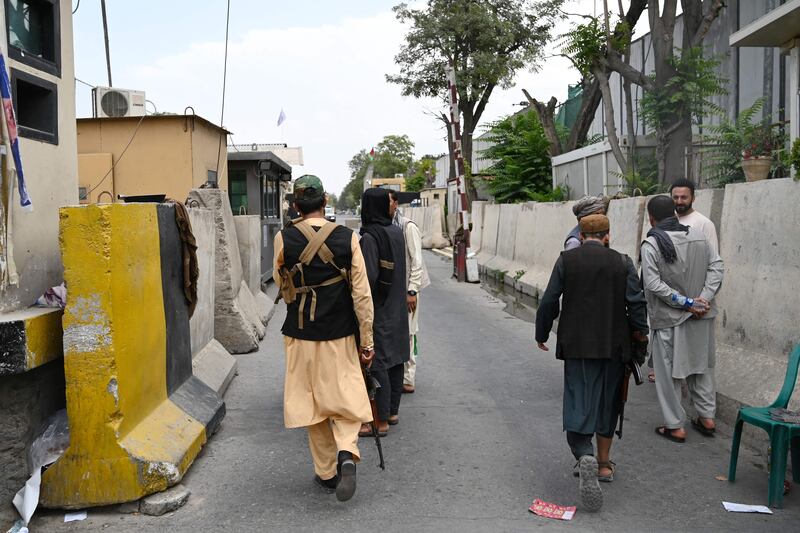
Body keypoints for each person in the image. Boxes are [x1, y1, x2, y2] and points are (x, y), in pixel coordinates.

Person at [535, 214, 648, 512]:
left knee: (578, 402)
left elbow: (549, 301)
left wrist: (541, 333)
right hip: (615, 346)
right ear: (608, 235)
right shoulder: (623, 263)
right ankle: (603, 465)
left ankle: (582, 453)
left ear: (582, 236)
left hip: (578, 346)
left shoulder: (566, 261)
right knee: (609, 403)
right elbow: (637, 305)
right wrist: (641, 341)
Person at [272, 175, 375, 502]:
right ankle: (347, 451)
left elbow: (280, 281)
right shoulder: (348, 238)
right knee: (345, 398)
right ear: (325, 201)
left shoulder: (283, 238)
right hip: (340, 333)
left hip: (300, 335)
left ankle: (327, 473)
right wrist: (367, 341)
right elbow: (362, 295)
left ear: (295, 205)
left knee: (311, 403)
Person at [641, 195, 724, 443]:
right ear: (674, 214)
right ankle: (707, 417)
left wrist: (687, 303)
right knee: (702, 368)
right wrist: (702, 299)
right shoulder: (698, 235)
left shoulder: (652, 244)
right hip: (701, 317)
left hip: (670, 319)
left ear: (651, 219)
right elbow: (717, 268)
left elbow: (653, 284)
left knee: (668, 374)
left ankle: (675, 425)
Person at [358, 188, 409, 437]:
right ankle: (392, 411)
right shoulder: (396, 231)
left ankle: (380, 421)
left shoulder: (370, 237)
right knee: (396, 359)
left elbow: (367, 278)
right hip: (397, 305)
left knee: (377, 361)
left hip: (379, 307)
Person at [389, 190, 430, 395]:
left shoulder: (407, 226)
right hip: (393, 292)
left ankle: (408, 377)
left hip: (408, 291)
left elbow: (417, 261)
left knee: (410, 333)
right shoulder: (385, 227)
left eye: (388, 201)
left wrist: (412, 290)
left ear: (395, 203)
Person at [669, 178, 719, 256]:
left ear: (693, 198)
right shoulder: (666, 221)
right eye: (675, 197)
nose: (679, 201)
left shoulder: (705, 224)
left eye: (684, 197)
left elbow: (714, 258)